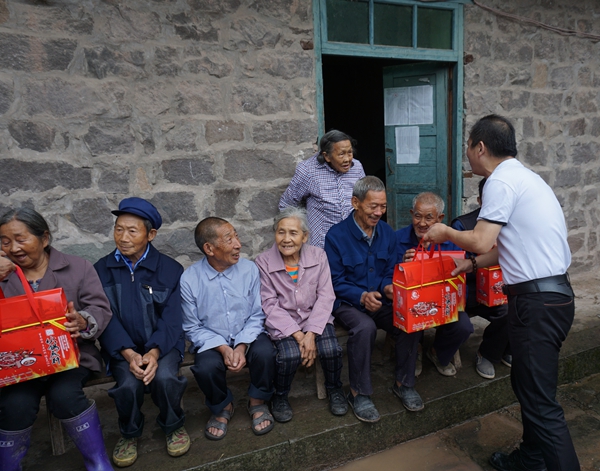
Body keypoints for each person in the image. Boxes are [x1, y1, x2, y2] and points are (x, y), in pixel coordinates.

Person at [424, 114, 580, 471]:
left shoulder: (500, 182)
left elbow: (479, 239)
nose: (468, 153)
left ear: (480, 147)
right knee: (532, 390)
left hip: (536, 304)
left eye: (468, 146)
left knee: (541, 404)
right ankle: (530, 460)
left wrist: (446, 232)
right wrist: (474, 265)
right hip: (554, 297)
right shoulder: (526, 178)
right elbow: (505, 244)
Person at [0, 208, 113, 471]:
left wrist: (82, 321)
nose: (13, 248)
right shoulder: (3, 275)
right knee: (15, 404)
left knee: (65, 396)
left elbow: (100, 308)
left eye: (21, 239)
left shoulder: (78, 267)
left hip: (71, 358)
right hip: (20, 364)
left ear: (44, 238)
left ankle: (98, 463)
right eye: (5, 241)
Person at [94, 198, 189, 467]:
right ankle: (130, 432)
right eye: (118, 229)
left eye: (132, 231)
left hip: (163, 344)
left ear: (151, 234)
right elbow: (105, 316)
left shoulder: (170, 269)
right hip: (123, 346)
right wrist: (127, 352)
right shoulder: (102, 270)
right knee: (127, 384)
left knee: (166, 378)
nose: (123, 237)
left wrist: (155, 351)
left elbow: (172, 319)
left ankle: (173, 425)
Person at [324, 176, 423, 423]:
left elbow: (390, 271)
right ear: (355, 202)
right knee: (365, 327)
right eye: (372, 206)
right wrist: (361, 296)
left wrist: (388, 287)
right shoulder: (336, 236)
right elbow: (334, 282)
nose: (378, 212)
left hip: (379, 300)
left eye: (383, 206)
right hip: (347, 302)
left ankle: (404, 383)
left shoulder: (387, 233)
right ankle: (358, 393)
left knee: (409, 319)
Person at [180, 217, 276, 440]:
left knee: (265, 353)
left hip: (248, 333)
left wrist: (241, 346)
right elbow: (192, 327)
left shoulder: (249, 270)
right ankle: (222, 406)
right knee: (205, 368)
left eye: (236, 236)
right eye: (229, 239)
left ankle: (257, 401)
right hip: (212, 341)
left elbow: (257, 313)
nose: (238, 244)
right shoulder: (190, 279)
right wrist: (223, 348)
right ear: (209, 248)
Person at [254, 207, 347, 423]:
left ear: (305, 236)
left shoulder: (318, 255)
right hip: (284, 322)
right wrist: (299, 336)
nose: (286, 239)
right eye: (281, 232)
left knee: (331, 349)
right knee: (288, 356)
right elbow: (268, 304)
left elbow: (325, 296)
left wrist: (311, 334)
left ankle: (334, 389)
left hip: (316, 317)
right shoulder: (263, 262)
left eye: (293, 233)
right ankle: (280, 396)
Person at [395, 192, 474, 378]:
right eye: (417, 216)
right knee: (408, 319)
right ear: (411, 214)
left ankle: (437, 353)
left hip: (443, 301)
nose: (422, 223)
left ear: (440, 218)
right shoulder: (398, 238)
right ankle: (416, 351)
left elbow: (462, 282)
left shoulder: (453, 241)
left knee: (464, 326)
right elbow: (387, 276)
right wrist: (402, 264)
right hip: (413, 302)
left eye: (429, 218)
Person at [451, 178, 511, 380]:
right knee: (459, 320)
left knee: (513, 308)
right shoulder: (462, 225)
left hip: (497, 292)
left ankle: (488, 352)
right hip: (468, 292)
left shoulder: (510, 225)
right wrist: (481, 260)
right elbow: (454, 267)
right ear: (480, 200)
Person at [279, 129, 365, 249]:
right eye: (341, 154)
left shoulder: (357, 168)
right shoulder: (308, 170)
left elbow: (363, 200)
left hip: (352, 243)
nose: (347, 159)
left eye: (350, 153)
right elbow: (286, 204)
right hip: (322, 245)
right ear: (327, 156)